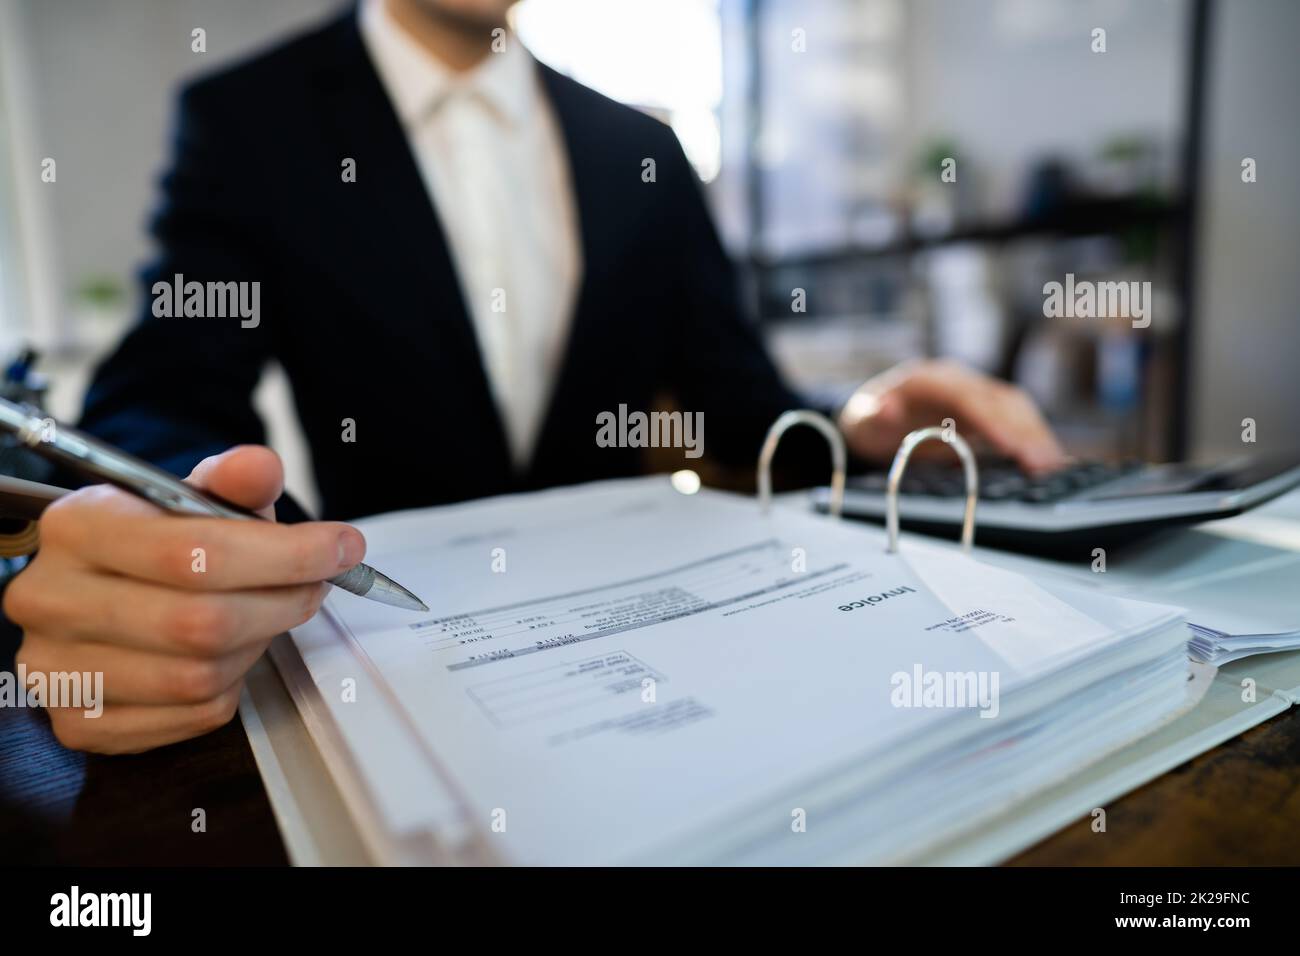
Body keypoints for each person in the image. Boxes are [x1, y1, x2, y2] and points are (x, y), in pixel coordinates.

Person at [2, 0, 1064, 753]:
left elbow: (738, 408)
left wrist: (863, 424)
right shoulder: (250, 120)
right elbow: (168, 387)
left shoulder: (641, 151)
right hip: (391, 670)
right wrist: (181, 524)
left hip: (651, 673)